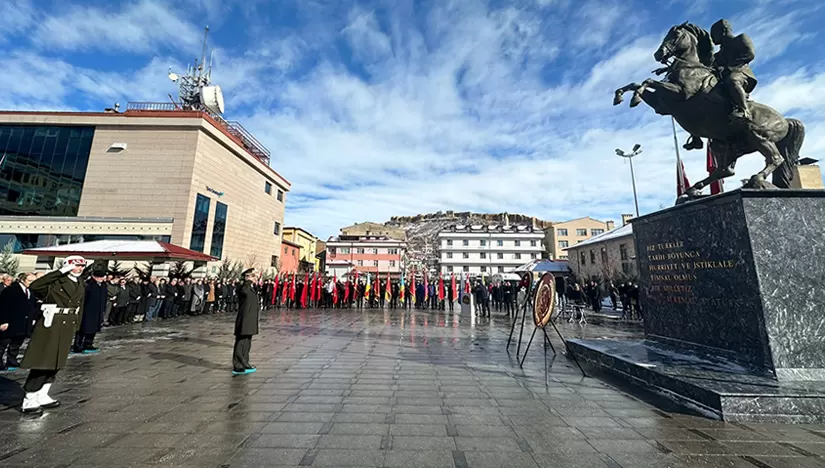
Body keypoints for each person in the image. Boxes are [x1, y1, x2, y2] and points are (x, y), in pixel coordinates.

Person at [20, 255, 88, 414]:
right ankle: (30, 398)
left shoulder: (80, 284)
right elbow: (35, 286)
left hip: (68, 324)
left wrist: (76, 326)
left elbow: (80, 306)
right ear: (68, 266)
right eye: (76, 266)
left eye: (82, 266)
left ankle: (43, 394)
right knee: (42, 362)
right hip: (51, 324)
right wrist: (60, 272)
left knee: (57, 362)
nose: (79, 269)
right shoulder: (55, 282)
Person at [0, 272, 37, 371]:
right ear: (22, 280)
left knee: (16, 343)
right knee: (3, 343)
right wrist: (3, 321)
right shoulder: (11, 290)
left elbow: (32, 306)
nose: (32, 283)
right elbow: (3, 306)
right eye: (30, 281)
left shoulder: (30, 291)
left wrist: (32, 318)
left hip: (23, 322)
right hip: (11, 321)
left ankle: (11, 360)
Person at [72, 268, 107, 354]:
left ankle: (88, 343)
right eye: (100, 277)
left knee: (93, 328)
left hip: (98, 310)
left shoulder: (103, 285)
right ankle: (78, 345)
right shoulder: (88, 285)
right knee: (83, 328)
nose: (102, 279)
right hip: (87, 310)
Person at [233, 268, 259, 375]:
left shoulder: (251, 288)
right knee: (241, 342)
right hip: (244, 319)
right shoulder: (243, 287)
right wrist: (248, 280)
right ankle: (238, 365)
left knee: (247, 342)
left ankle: (245, 362)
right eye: (254, 276)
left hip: (250, 320)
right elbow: (243, 290)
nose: (256, 279)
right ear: (248, 277)